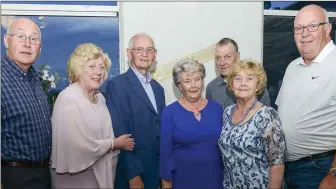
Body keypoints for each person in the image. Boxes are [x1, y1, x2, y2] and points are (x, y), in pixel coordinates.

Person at [50, 43, 135, 189]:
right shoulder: (68, 98)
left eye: (102, 67)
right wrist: (114, 144)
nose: (98, 72)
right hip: (77, 179)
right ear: (78, 69)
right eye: (92, 66)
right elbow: (77, 146)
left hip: (102, 175)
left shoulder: (100, 98)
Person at [276, 4, 336, 189]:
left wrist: (335, 176)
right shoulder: (292, 67)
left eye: (312, 26)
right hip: (290, 169)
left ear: (327, 29)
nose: (304, 34)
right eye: (298, 28)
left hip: (321, 168)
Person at [105, 33, 166, 189]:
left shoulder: (158, 89)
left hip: (156, 172)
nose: (145, 54)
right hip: (134, 175)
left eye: (149, 50)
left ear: (155, 55)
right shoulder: (117, 86)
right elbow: (121, 134)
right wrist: (133, 175)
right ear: (129, 53)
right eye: (139, 49)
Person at [218, 60, 287, 189]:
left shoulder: (267, 115)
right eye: (238, 79)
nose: (243, 83)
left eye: (250, 79)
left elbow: (277, 164)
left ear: (258, 86)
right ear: (231, 85)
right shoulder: (227, 113)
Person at [1, 18, 52, 189]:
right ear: (6, 40)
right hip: (13, 177)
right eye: (21, 36)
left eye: (34, 38)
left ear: (40, 47)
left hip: (43, 174)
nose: (27, 44)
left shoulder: (34, 78)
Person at [159, 59, 224, 189]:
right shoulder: (169, 112)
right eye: (187, 81)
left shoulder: (217, 109)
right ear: (179, 86)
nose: (194, 85)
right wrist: (166, 183)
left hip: (215, 179)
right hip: (182, 180)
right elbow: (165, 152)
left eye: (197, 79)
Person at [206, 38, 271, 110]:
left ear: (237, 57)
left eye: (228, 57)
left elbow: (267, 114)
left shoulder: (255, 83)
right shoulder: (211, 88)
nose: (222, 63)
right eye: (218, 58)